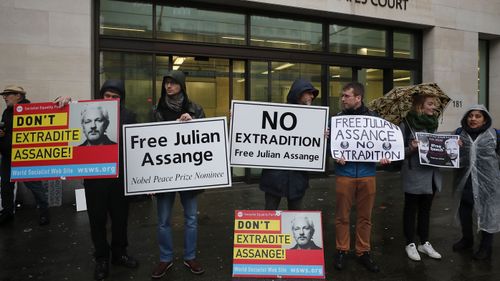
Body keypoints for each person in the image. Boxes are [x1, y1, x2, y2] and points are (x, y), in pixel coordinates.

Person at [82, 80, 139, 280]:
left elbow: (138, 145)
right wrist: (64, 101)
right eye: (107, 95)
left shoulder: (130, 116)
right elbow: (68, 113)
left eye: (115, 96)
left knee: (120, 219)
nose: (111, 99)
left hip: (120, 179)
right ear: (102, 96)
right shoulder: (89, 111)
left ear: (121, 99)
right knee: (97, 220)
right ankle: (101, 259)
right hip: (94, 179)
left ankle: (119, 253)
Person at [151, 70, 206, 279]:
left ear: (182, 85)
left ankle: (190, 256)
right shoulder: (157, 110)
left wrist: (193, 122)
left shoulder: (195, 108)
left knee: (191, 218)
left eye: (173, 83)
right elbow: (151, 142)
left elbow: (206, 137)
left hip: (188, 174)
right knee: (163, 219)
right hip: (165, 175)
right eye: (166, 83)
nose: (168, 86)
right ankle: (165, 259)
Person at [333, 82, 390, 273]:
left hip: (367, 174)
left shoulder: (374, 119)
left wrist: (384, 156)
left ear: (358, 98)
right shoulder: (337, 120)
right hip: (344, 174)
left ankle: (363, 251)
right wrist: (332, 151)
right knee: (342, 216)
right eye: (342, 96)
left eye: (346, 96)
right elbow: (330, 147)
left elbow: (383, 143)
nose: (342, 99)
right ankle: (342, 249)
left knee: (365, 217)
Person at [259, 78, 319, 210]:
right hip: (274, 177)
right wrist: (240, 119)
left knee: (296, 218)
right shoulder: (277, 113)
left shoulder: (313, 118)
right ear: (299, 93)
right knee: (270, 216)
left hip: (297, 178)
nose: (312, 96)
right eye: (309, 92)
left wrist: (322, 137)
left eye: (313, 93)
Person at [451, 105, 500, 260]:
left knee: (488, 212)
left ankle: (486, 247)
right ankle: (467, 239)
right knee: (465, 210)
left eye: (478, 116)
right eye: (470, 115)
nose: (473, 119)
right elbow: (448, 156)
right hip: (465, 180)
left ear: (485, 119)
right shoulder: (458, 134)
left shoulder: (495, 135)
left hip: (488, 182)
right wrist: (453, 146)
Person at [399, 93, 443, 262]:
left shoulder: (433, 124)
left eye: (435, 104)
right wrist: (411, 148)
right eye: (430, 104)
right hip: (414, 173)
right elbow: (397, 152)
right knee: (410, 209)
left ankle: (424, 242)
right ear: (419, 106)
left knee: (426, 210)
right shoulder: (406, 124)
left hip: (432, 174)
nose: (434, 107)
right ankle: (410, 243)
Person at [0, 85, 50, 226]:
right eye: (4, 94)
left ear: (19, 96)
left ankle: (44, 213)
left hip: (25, 157)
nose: (4, 97)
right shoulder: (6, 112)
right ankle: (7, 212)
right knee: (6, 187)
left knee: (35, 186)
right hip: (7, 156)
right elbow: (5, 130)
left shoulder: (31, 111)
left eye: (8, 94)